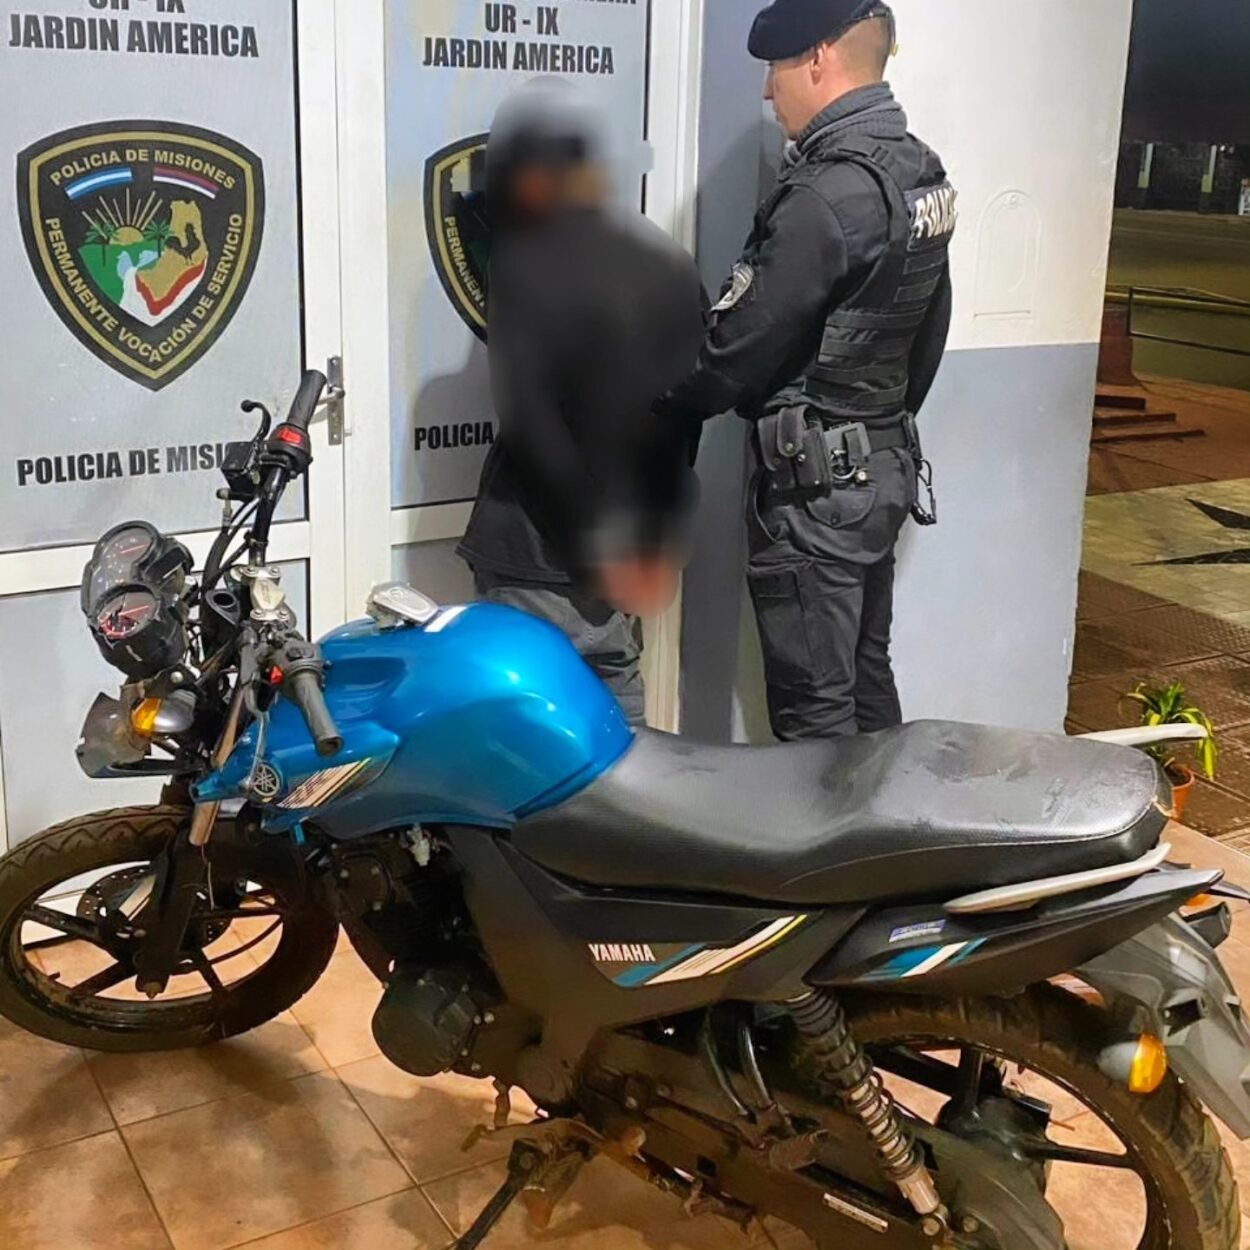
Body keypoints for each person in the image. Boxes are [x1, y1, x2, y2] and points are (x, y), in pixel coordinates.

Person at [662, 0, 955, 741]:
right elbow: (929, 329)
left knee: (814, 709)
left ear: (818, 59)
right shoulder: (918, 169)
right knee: (865, 677)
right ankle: (891, 816)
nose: (768, 91)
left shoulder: (824, 195)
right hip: (881, 465)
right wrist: (874, 420)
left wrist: (657, 405)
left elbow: (733, 351)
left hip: (817, 487)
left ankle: (832, 823)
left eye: (776, 68)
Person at [457, 82, 706, 726]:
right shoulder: (668, 263)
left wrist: (600, 544)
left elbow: (530, 422)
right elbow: (686, 417)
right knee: (620, 729)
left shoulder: (525, 261)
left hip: (537, 551)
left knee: (527, 735)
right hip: (624, 553)